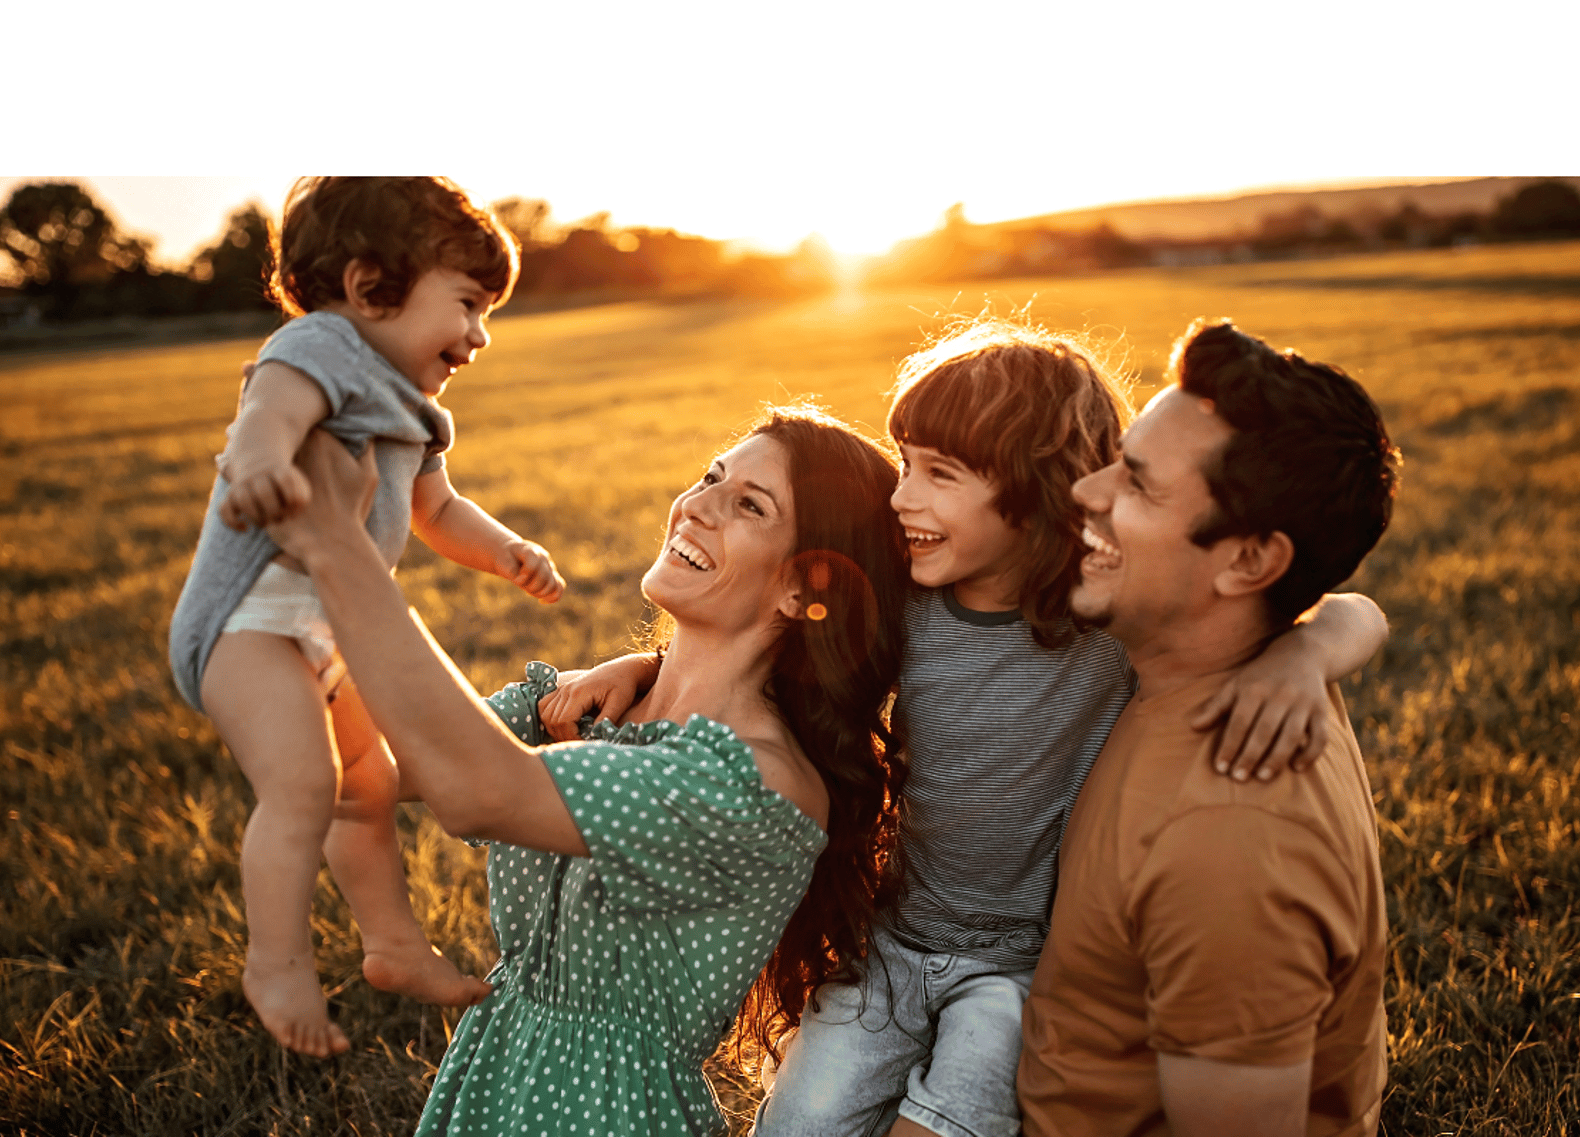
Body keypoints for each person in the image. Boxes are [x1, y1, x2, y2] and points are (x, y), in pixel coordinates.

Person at [550, 321, 1389, 1137]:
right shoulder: (912, 603)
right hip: (896, 937)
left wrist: (1306, 652)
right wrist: (643, 670)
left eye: (939, 472)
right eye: (906, 463)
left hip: (1016, 966)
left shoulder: (1098, 626)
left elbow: (1343, 605)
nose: (899, 495)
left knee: (953, 1115)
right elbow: (777, 656)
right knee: (801, 1118)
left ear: (1034, 494)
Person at [262, 404, 910, 1136]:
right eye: (710, 476)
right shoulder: (582, 706)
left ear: (801, 589)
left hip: (610, 1113)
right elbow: (358, 766)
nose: (696, 506)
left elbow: (481, 791)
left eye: (748, 505)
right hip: (495, 1071)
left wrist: (344, 558)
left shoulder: (759, 784)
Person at [167, 177, 565, 1057]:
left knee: (369, 787)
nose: (479, 333)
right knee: (304, 784)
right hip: (250, 622)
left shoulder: (416, 408)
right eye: (466, 303)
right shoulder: (320, 346)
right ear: (368, 286)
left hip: (330, 625)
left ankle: (393, 945)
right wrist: (265, 464)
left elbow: (438, 512)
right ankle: (275, 962)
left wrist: (506, 551)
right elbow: (267, 416)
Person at [1018, 318, 1401, 1136]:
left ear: (1249, 562)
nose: (1088, 490)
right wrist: (1316, 645)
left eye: (1140, 484)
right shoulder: (1234, 662)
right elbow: (1357, 611)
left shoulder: (1227, 839)